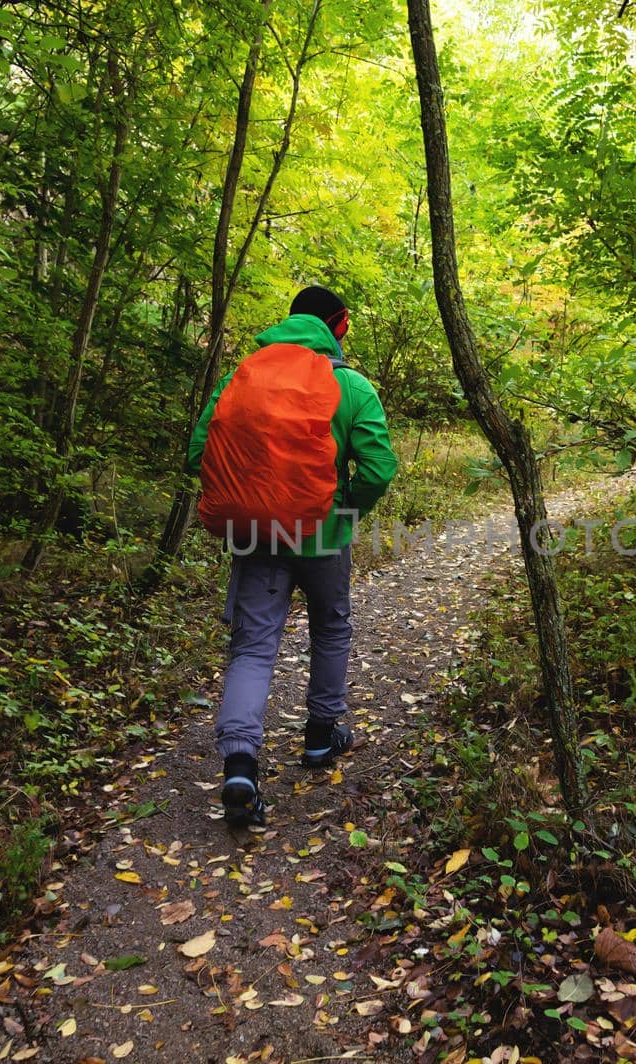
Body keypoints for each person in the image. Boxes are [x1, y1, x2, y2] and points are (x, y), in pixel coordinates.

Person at [186, 285, 397, 828]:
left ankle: (239, 766)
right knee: (330, 628)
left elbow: (196, 455)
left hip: (255, 535)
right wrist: (345, 510)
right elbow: (376, 469)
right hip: (325, 536)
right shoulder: (351, 387)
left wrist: (254, 490)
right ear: (340, 325)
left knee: (253, 649)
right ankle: (321, 738)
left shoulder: (243, 378)